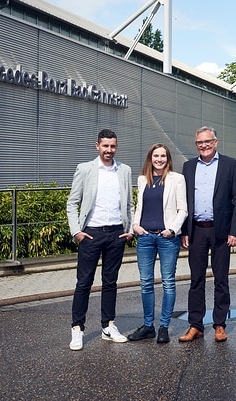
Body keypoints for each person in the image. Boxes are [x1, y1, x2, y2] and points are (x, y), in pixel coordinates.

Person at [66, 129, 134, 351]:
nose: (109, 150)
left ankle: (108, 326)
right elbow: (72, 202)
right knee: (84, 283)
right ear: (97, 146)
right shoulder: (85, 169)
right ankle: (77, 329)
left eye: (112, 146)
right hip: (91, 234)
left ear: (116, 146)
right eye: (105, 146)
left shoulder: (124, 170)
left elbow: (129, 204)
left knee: (110, 283)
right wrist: (76, 231)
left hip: (116, 234)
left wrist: (129, 229)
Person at [178, 126, 236, 343]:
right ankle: (195, 325)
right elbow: (185, 202)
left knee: (221, 279)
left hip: (221, 231)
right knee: (196, 280)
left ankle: (219, 324)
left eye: (207, 142)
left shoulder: (230, 164)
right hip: (196, 230)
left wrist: (234, 231)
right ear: (196, 144)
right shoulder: (188, 167)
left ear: (215, 142)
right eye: (199, 143)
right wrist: (184, 231)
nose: (203, 146)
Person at [128, 143, 187, 344]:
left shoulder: (177, 179)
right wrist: (135, 225)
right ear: (150, 158)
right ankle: (148, 327)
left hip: (167, 238)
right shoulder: (142, 179)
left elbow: (183, 210)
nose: (159, 159)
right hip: (144, 237)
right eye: (156, 156)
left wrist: (172, 230)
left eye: (163, 156)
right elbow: (139, 206)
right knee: (146, 283)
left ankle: (163, 327)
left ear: (168, 158)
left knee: (168, 283)